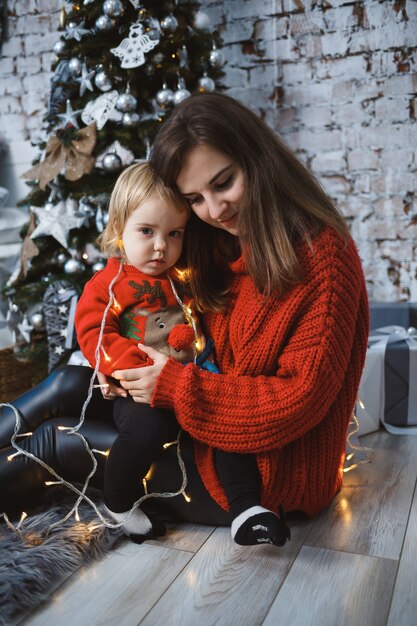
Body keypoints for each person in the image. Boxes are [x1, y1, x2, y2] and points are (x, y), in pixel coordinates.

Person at [0, 93, 368, 544]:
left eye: (224, 182)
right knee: (67, 384)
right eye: (195, 198)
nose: (214, 210)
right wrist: (124, 370)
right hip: (200, 426)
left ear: (257, 157)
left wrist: (172, 385)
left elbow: (298, 402)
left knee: (57, 440)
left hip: (258, 475)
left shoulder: (321, 256)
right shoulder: (218, 240)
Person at [75, 161, 284, 546]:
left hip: (190, 380)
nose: (160, 246)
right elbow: (93, 331)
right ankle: (119, 504)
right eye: (146, 232)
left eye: (174, 234)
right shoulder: (111, 282)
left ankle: (246, 509)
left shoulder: (179, 277)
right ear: (120, 228)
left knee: (224, 427)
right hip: (139, 387)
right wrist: (129, 369)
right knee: (146, 430)